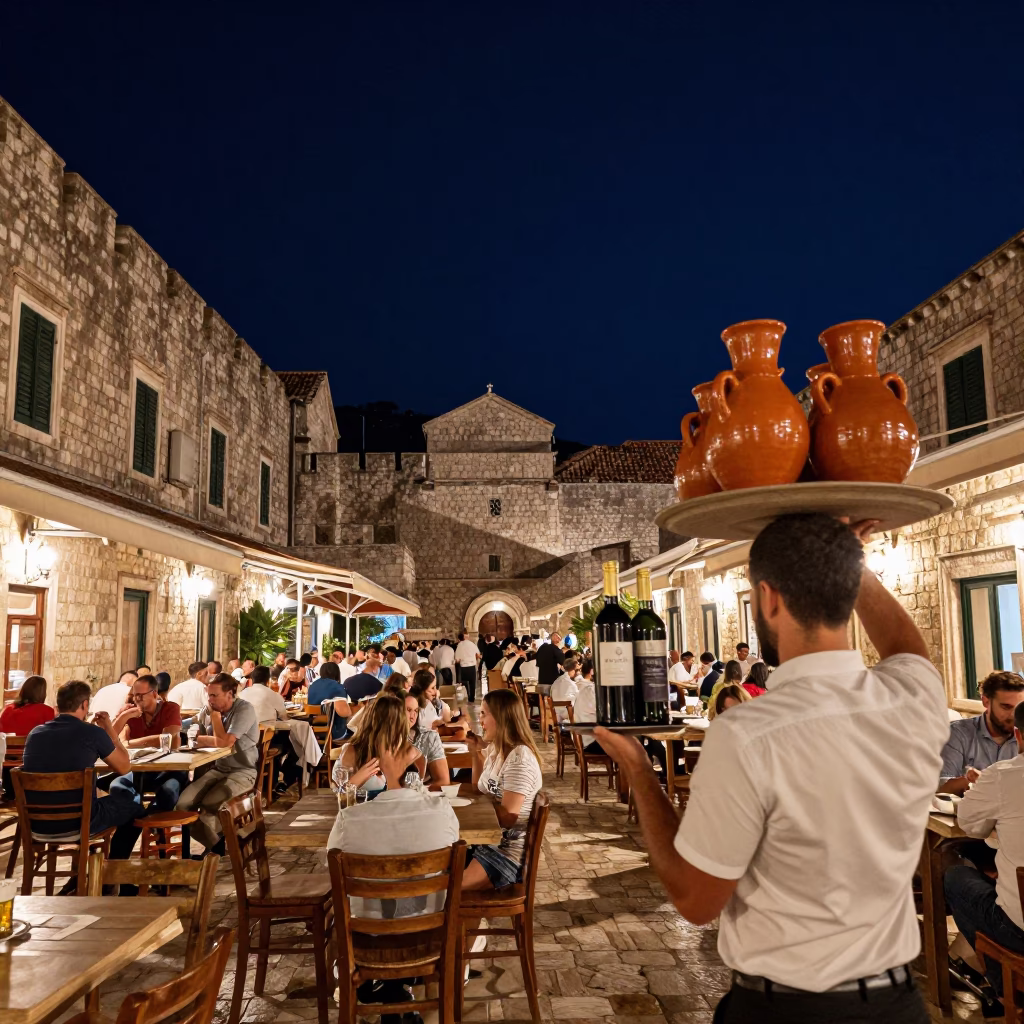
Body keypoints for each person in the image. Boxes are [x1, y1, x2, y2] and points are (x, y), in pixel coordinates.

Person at [595, 513, 949, 1022]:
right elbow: (907, 649)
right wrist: (849, 564)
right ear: (846, 591)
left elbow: (696, 901)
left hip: (785, 1009)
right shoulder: (915, 698)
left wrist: (639, 770)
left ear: (769, 598)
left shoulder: (746, 734)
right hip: (897, 1005)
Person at [946, 698, 1024, 1010]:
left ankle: (1006, 990)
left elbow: (970, 825)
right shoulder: (961, 733)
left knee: (956, 876)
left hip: (1019, 933)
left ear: (1018, 734)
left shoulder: (1003, 775)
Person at [23, 680, 141, 868]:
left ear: (58, 704)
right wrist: (110, 730)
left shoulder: (34, 734)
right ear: (85, 705)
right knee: (134, 806)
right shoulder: (92, 733)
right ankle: (111, 874)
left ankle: (80, 876)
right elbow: (124, 767)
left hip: (38, 825)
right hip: (80, 823)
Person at [463, 689, 543, 889]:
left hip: (507, 855)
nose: (480, 720)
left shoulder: (519, 759)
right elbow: (479, 790)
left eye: (484, 714)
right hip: (487, 843)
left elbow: (509, 817)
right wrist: (475, 753)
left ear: (501, 717)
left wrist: (475, 806)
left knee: (443, 889)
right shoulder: (498, 751)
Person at [176, 674, 260, 853]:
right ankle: (218, 848)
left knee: (211, 804)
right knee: (182, 806)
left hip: (243, 771)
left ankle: (219, 849)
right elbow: (188, 726)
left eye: (215, 695)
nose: (210, 700)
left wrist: (212, 722)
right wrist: (173, 726)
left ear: (230, 694)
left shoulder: (244, 709)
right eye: (209, 695)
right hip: (218, 769)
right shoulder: (207, 710)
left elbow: (225, 742)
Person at [939, 671, 1024, 794]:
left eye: (1018, 708)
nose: (1013, 715)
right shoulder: (957, 733)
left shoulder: (1022, 734)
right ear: (986, 702)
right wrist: (969, 781)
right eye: (1006, 707)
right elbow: (941, 787)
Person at [334, 693, 424, 798]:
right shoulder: (354, 751)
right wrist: (359, 778)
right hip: (362, 808)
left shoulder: (411, 753)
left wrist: (390, 774)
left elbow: (414, 797)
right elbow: (341, 797)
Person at [119, 674, 187, 811]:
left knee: (168, 791)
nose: (137, 699)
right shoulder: (131, 713)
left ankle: (154, 818)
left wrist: (132, 743)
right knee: (117, 787)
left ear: (154, 694)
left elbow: (167, 737)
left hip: (169, 769)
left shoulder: (171, 708)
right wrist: (124, 716)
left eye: (140, 695)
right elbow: (121, 742)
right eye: (135, 695)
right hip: (140, 770)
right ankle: (140, 815)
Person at [404, 689, 451, 787]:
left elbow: (443, 781)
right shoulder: (385, 738)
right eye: (408, 710)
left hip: (422, 793)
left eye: (416, 711)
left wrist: (419, 792)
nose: (412, 716)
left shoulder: (429, 737)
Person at [307, 661, 353, 742]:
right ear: (337, 673)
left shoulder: (312, 686)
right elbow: (345, 713)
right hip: (333, 733)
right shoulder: (337, 687)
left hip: (314, 733)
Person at [549, 657, 579, 722]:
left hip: (555, 712)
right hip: (567, 713)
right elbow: (577, 699)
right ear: (573, 670)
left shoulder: (556, 681)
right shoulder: (571, 684)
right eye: (577, 670)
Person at [535, 631, 565, 696]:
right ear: (559, 640)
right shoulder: (556, 650)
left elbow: (538, 662)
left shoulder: (542, 647)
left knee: (543, 701)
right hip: (552, 684)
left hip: (541, 682)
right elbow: (563, 662)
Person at [454, 632, 480, 703]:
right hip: (472, 666)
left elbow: (457, 659)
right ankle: (472, 698)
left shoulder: (459, 645)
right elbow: (478, 654)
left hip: (464, 667)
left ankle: (467, 696)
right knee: (472, 683)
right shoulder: (472, 644)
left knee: (465, 683)